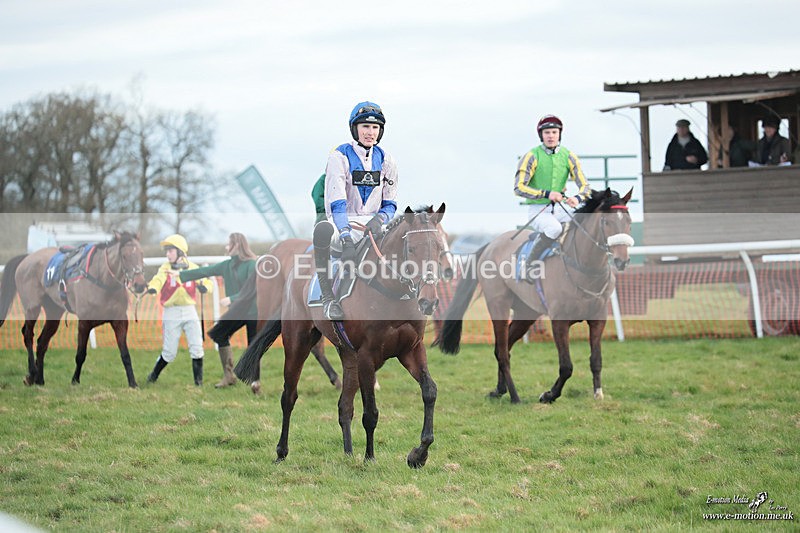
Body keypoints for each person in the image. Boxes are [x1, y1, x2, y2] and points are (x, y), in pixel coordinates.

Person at [313, 101, 398, 320]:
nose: (371, 132)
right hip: (343, 223)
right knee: (322, 230)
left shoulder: (388, 160)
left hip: (375, 224)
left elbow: (390, 204)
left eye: (375, 128)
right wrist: (345, 236)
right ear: (355, 128)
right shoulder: (338, 156)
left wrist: (379, 220)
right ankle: (327, 297)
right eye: (365, 127)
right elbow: (337, 203)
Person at [513, 114, 591, 278]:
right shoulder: (531, 156)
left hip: (562, 208)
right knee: (555, 229)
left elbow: (585, 186)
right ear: (541, 135)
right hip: (539, 210)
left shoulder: (569, 156)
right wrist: (547, 194)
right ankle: (529, 265)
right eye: (547, 133)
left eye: (554, 132)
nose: (550, 136)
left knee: (585, 225)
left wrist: (577, 198)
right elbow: (518, 187)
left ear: (559, 134)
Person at [178, 232, 258, 388]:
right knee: (219, 334)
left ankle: (255, 382)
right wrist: (180, 274)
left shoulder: (252, 264)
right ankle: (229, 376)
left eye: (229, 244)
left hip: (253, 311)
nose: (226, 247)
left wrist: (231, 299)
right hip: (237, 312)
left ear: (238, 245)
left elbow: (253, 288)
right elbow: (204, 272)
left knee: (253, 346)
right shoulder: (226, 265)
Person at [145, 234, 213, 386]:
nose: (167, 254)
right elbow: (157, 280)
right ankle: (153, 376)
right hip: (171, 313)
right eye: (167, 251)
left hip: (190, 311)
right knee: (169, 353)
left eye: (170, 251)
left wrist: (205, 287)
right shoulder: (165, 268)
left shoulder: (193, 267)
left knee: (197, 348)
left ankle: (198, 384)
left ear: (180, 252)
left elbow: (207, 282)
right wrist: (153, 288)